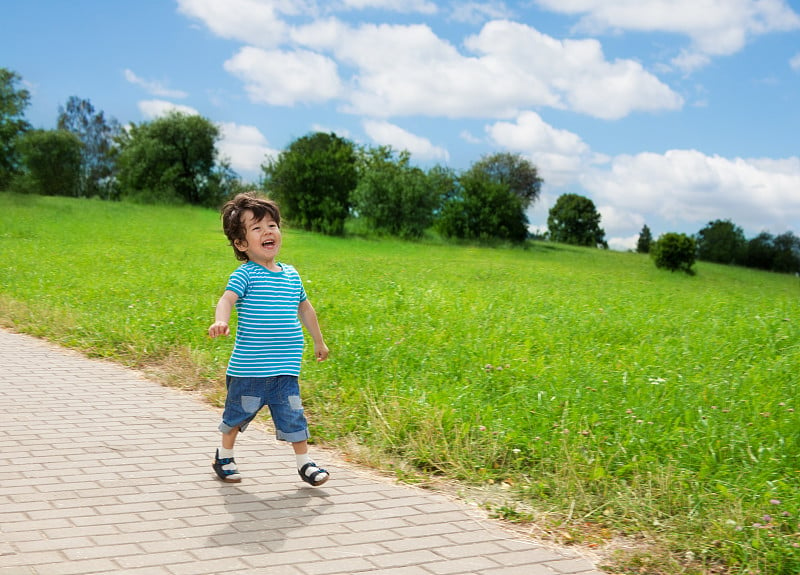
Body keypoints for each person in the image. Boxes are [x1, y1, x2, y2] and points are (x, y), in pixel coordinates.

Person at [208, 192, 330, 486]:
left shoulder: (291, 275)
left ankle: (304, 463)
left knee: (294, 417)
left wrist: (318, 341)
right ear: (241, 243)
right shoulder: (245, 275)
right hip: (250, 370)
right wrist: (221, 320)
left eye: (272, 225)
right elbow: (226, 299)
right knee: (237, 417)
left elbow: (305, 308)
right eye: (257, 228)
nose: (268, 232)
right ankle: (224, 455)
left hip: (285, 369)